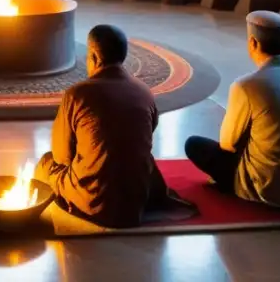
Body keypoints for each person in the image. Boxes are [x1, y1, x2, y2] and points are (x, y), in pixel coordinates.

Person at [35, 25, 184, 228]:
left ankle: (77, 200)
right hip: (137, 201)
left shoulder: (77, 95)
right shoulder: (144, 92)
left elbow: (62, 157)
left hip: (95, 203)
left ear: (94, 58)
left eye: (88, 57)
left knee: (46, 163)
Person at [185, 11, 280, 209]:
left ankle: (237, 186)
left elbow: (228, 145)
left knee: (194, 145)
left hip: (270, 190)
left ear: (253, 42)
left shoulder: (247, 86)